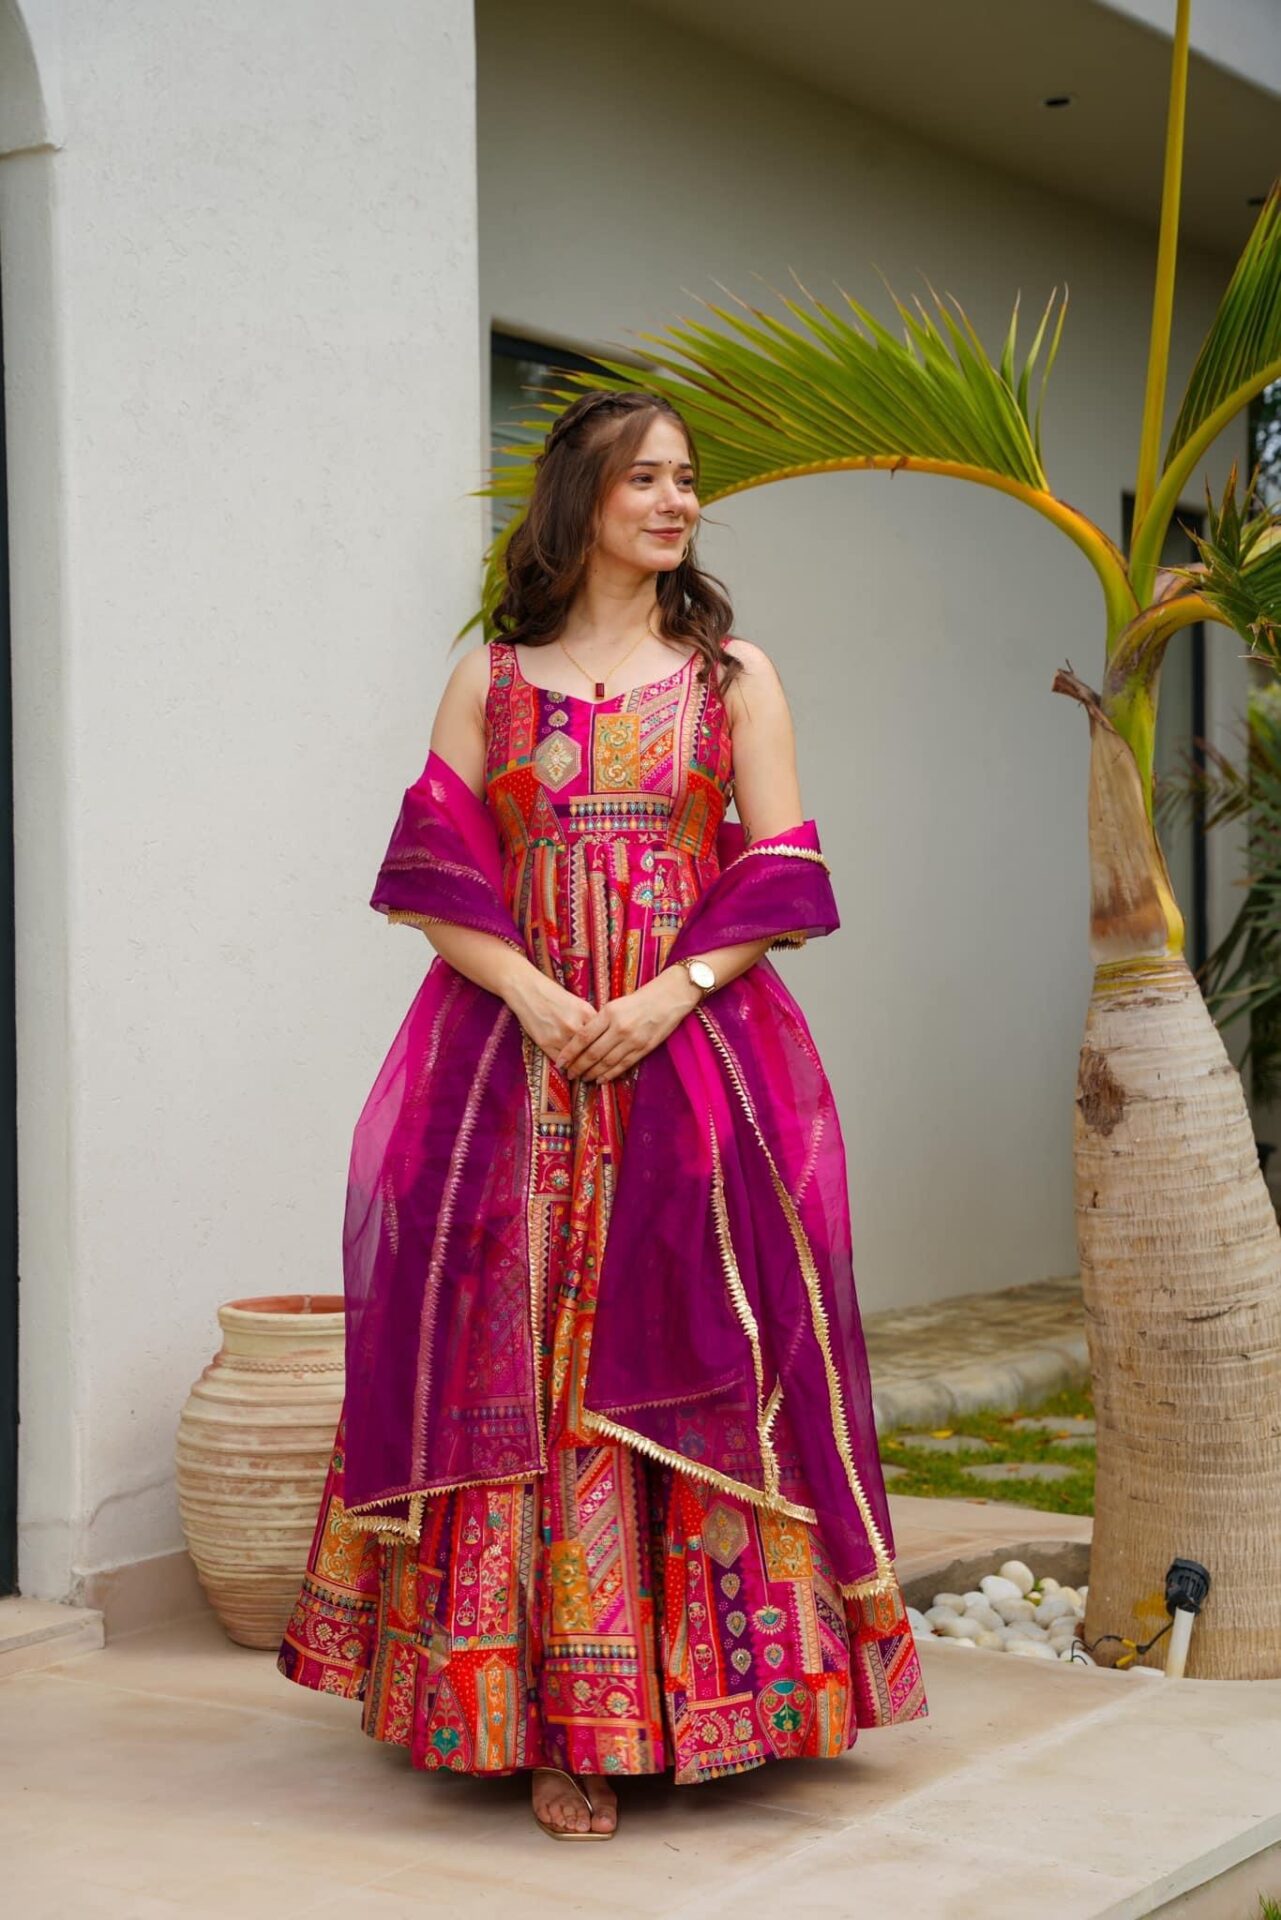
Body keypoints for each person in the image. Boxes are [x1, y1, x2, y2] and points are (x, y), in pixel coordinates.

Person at [277, 388, 928, 1839]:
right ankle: (551, 1725)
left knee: (701, 1335)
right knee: (514, 1355)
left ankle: (729, 1697)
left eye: (686, 480)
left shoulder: (731, 677)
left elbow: (781, 870)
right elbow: (434, 880)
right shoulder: (491, 680)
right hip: (511, 1066)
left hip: (688, 1060)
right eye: (646, 478)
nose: (677, 501)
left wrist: (665, 995)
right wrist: (532, 994)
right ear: (580, 498)